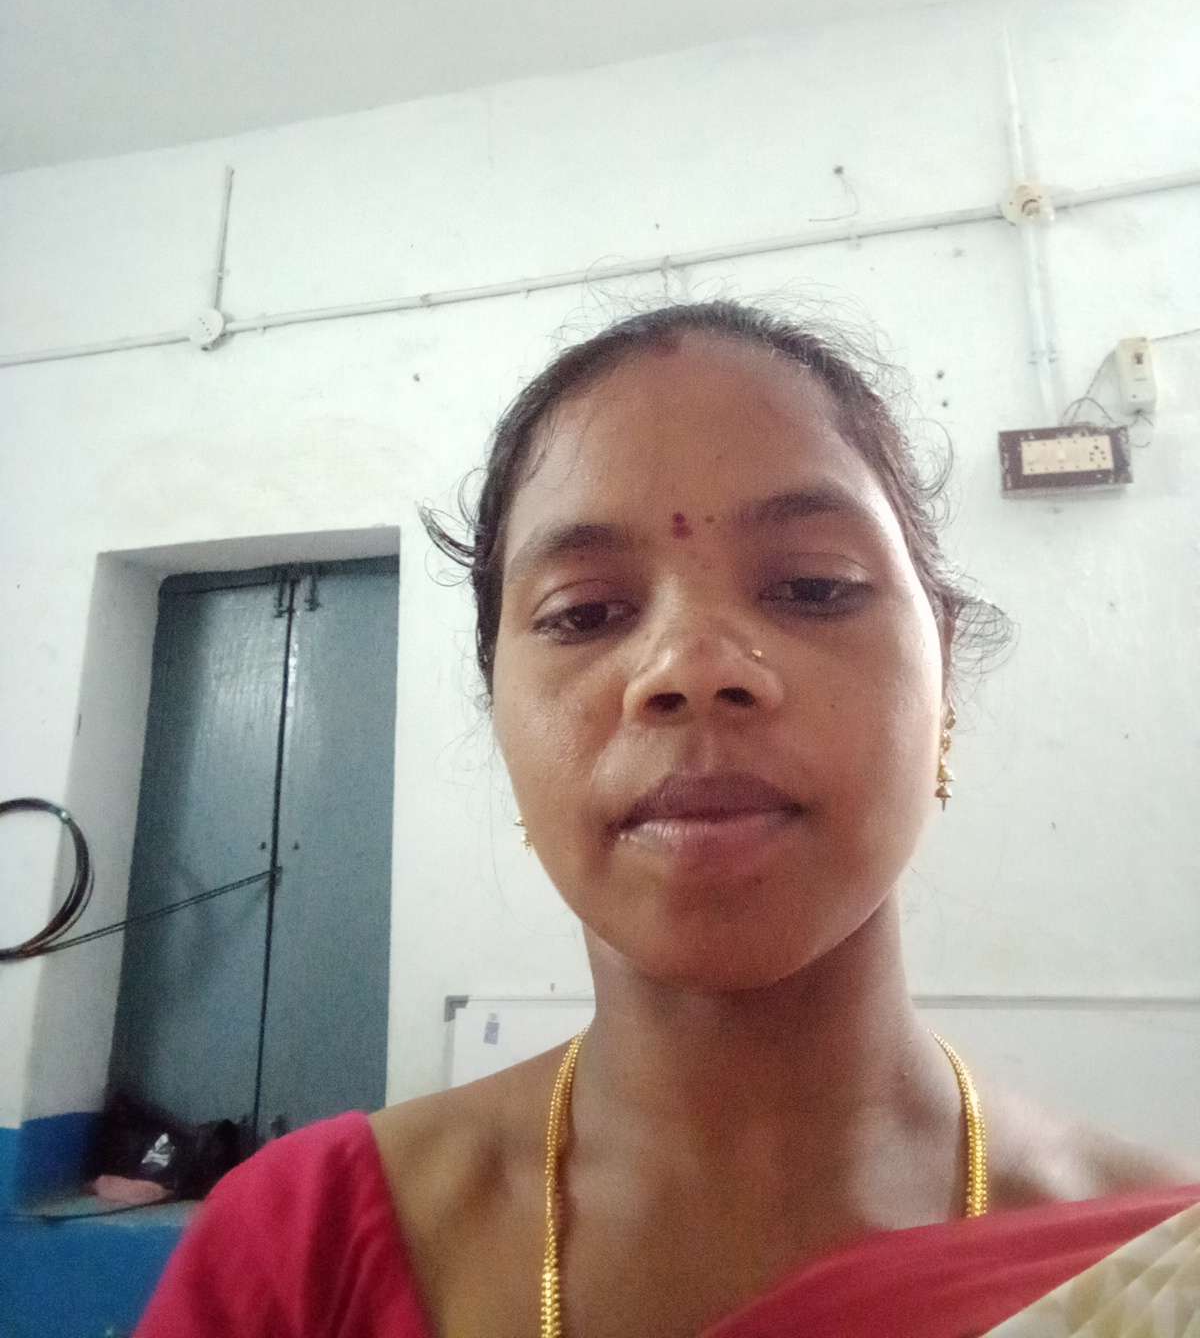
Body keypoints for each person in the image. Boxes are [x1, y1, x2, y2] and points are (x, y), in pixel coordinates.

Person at [137, 300, 1199, 1337]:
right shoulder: (299, 1251)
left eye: (814, 586)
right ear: (502, 713)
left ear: (946, 676)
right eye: (585, 612)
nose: (690, 667)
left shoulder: (1163, 1271)